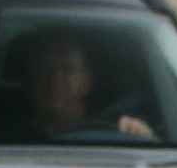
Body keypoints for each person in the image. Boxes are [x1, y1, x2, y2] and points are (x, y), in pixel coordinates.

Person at [17, 32, 154, 140]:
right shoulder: (3, 137)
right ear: (30, 80)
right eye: (45, 69)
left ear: (85, 82)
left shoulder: (114, 132)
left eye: (67, 69)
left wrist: (144, 138)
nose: (55, 78)